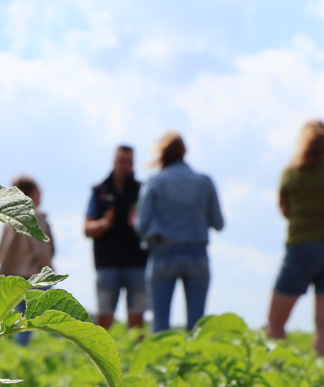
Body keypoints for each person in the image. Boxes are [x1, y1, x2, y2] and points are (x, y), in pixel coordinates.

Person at [266, 120, 324, 357]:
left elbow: (284, 208)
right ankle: (321, 379)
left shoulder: (292, 172)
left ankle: (278, 375)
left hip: (302, 246)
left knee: (275, 322)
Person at [136, 131, 224, 332]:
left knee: (160, 326)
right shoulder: (204, 182)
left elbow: (142, 224)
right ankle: (192, 363)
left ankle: (160, 362)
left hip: (163, 254)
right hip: (197, 255)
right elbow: (218, 223)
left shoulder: (155, 182)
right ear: (184, 152)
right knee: (195, 329)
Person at [84, 145, 147, 330]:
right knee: (103, 318)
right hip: (107, 264)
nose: (125, 166)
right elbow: (87, 228)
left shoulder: (142, 191)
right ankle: (100, 357)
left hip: (137, 263)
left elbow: (152, 227)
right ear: (114, 162)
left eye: (129, 162)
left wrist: (138, 223)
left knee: (137, 319)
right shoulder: (99, 191)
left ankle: (136, 357)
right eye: (121, 161)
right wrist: (104, 223)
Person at [0, 176, 54, 346]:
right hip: (35, 276)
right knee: (52, 318)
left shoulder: (9, 219)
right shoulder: (35, 216)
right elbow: (41, 248)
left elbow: (0, 254)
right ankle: (67, 352)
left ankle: (20, 356)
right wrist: (49, 270)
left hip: (14, 279)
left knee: (21, 322)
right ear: (33, 193)